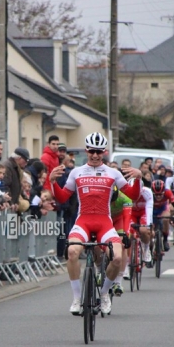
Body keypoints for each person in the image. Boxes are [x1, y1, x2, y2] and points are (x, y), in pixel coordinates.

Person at [49, 132, 142, 315]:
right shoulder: (76, 172)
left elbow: (132, 196)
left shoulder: (113, 173)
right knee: (72, 251)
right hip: (83, 221)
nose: (95, 155)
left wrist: (138, 178)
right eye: (92, 151)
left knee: (116, 258)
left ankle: (105, 292)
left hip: (104, 223)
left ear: (104, 152)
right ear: (86, 150)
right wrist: (52, 181)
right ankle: (76, 299)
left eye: (99, 152)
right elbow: (62, 197)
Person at [150, 179, 174, 254]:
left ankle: (165, 239)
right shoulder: (149, 193)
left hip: (163, 208)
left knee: (166, 219)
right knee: (150, 227)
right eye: (156, 195)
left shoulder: (167, 192)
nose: (158, 196)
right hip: (151, 209)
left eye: (160, 194)